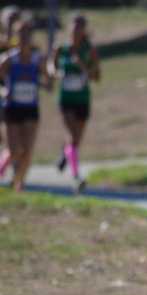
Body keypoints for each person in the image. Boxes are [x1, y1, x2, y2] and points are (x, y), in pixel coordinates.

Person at [49, 13, 100, 193]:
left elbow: (96, 76)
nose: (77, 29)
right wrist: (56, 73)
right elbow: (51, 66)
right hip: (66, 99)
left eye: (80, 26)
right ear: (69, 27)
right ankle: (76, 176)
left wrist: (83, 67)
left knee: (76, 141)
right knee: (71, 136)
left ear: (84, 29)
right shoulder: (61, 48)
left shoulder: (90, 50)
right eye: (74, 25)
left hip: (83, 99)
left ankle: (65, 155)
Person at [0, 14, 51, 192]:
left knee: (27, 152)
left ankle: (18, 183)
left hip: (30, 108)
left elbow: (48, 83)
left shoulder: (38, 60)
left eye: (27, 34)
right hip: (12, 108)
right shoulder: (8, 59)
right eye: (20, 34)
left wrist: (44, 81)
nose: (23, 38)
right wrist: (4, 91)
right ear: (15, 36)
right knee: (14, 150)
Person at [0, 5, 20, 181]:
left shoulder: (20, 45)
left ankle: (14, 173)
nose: (12, 23)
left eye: (15, 19)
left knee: (13, 143)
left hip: (14, 101)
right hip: (3, 96)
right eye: (9, 20)